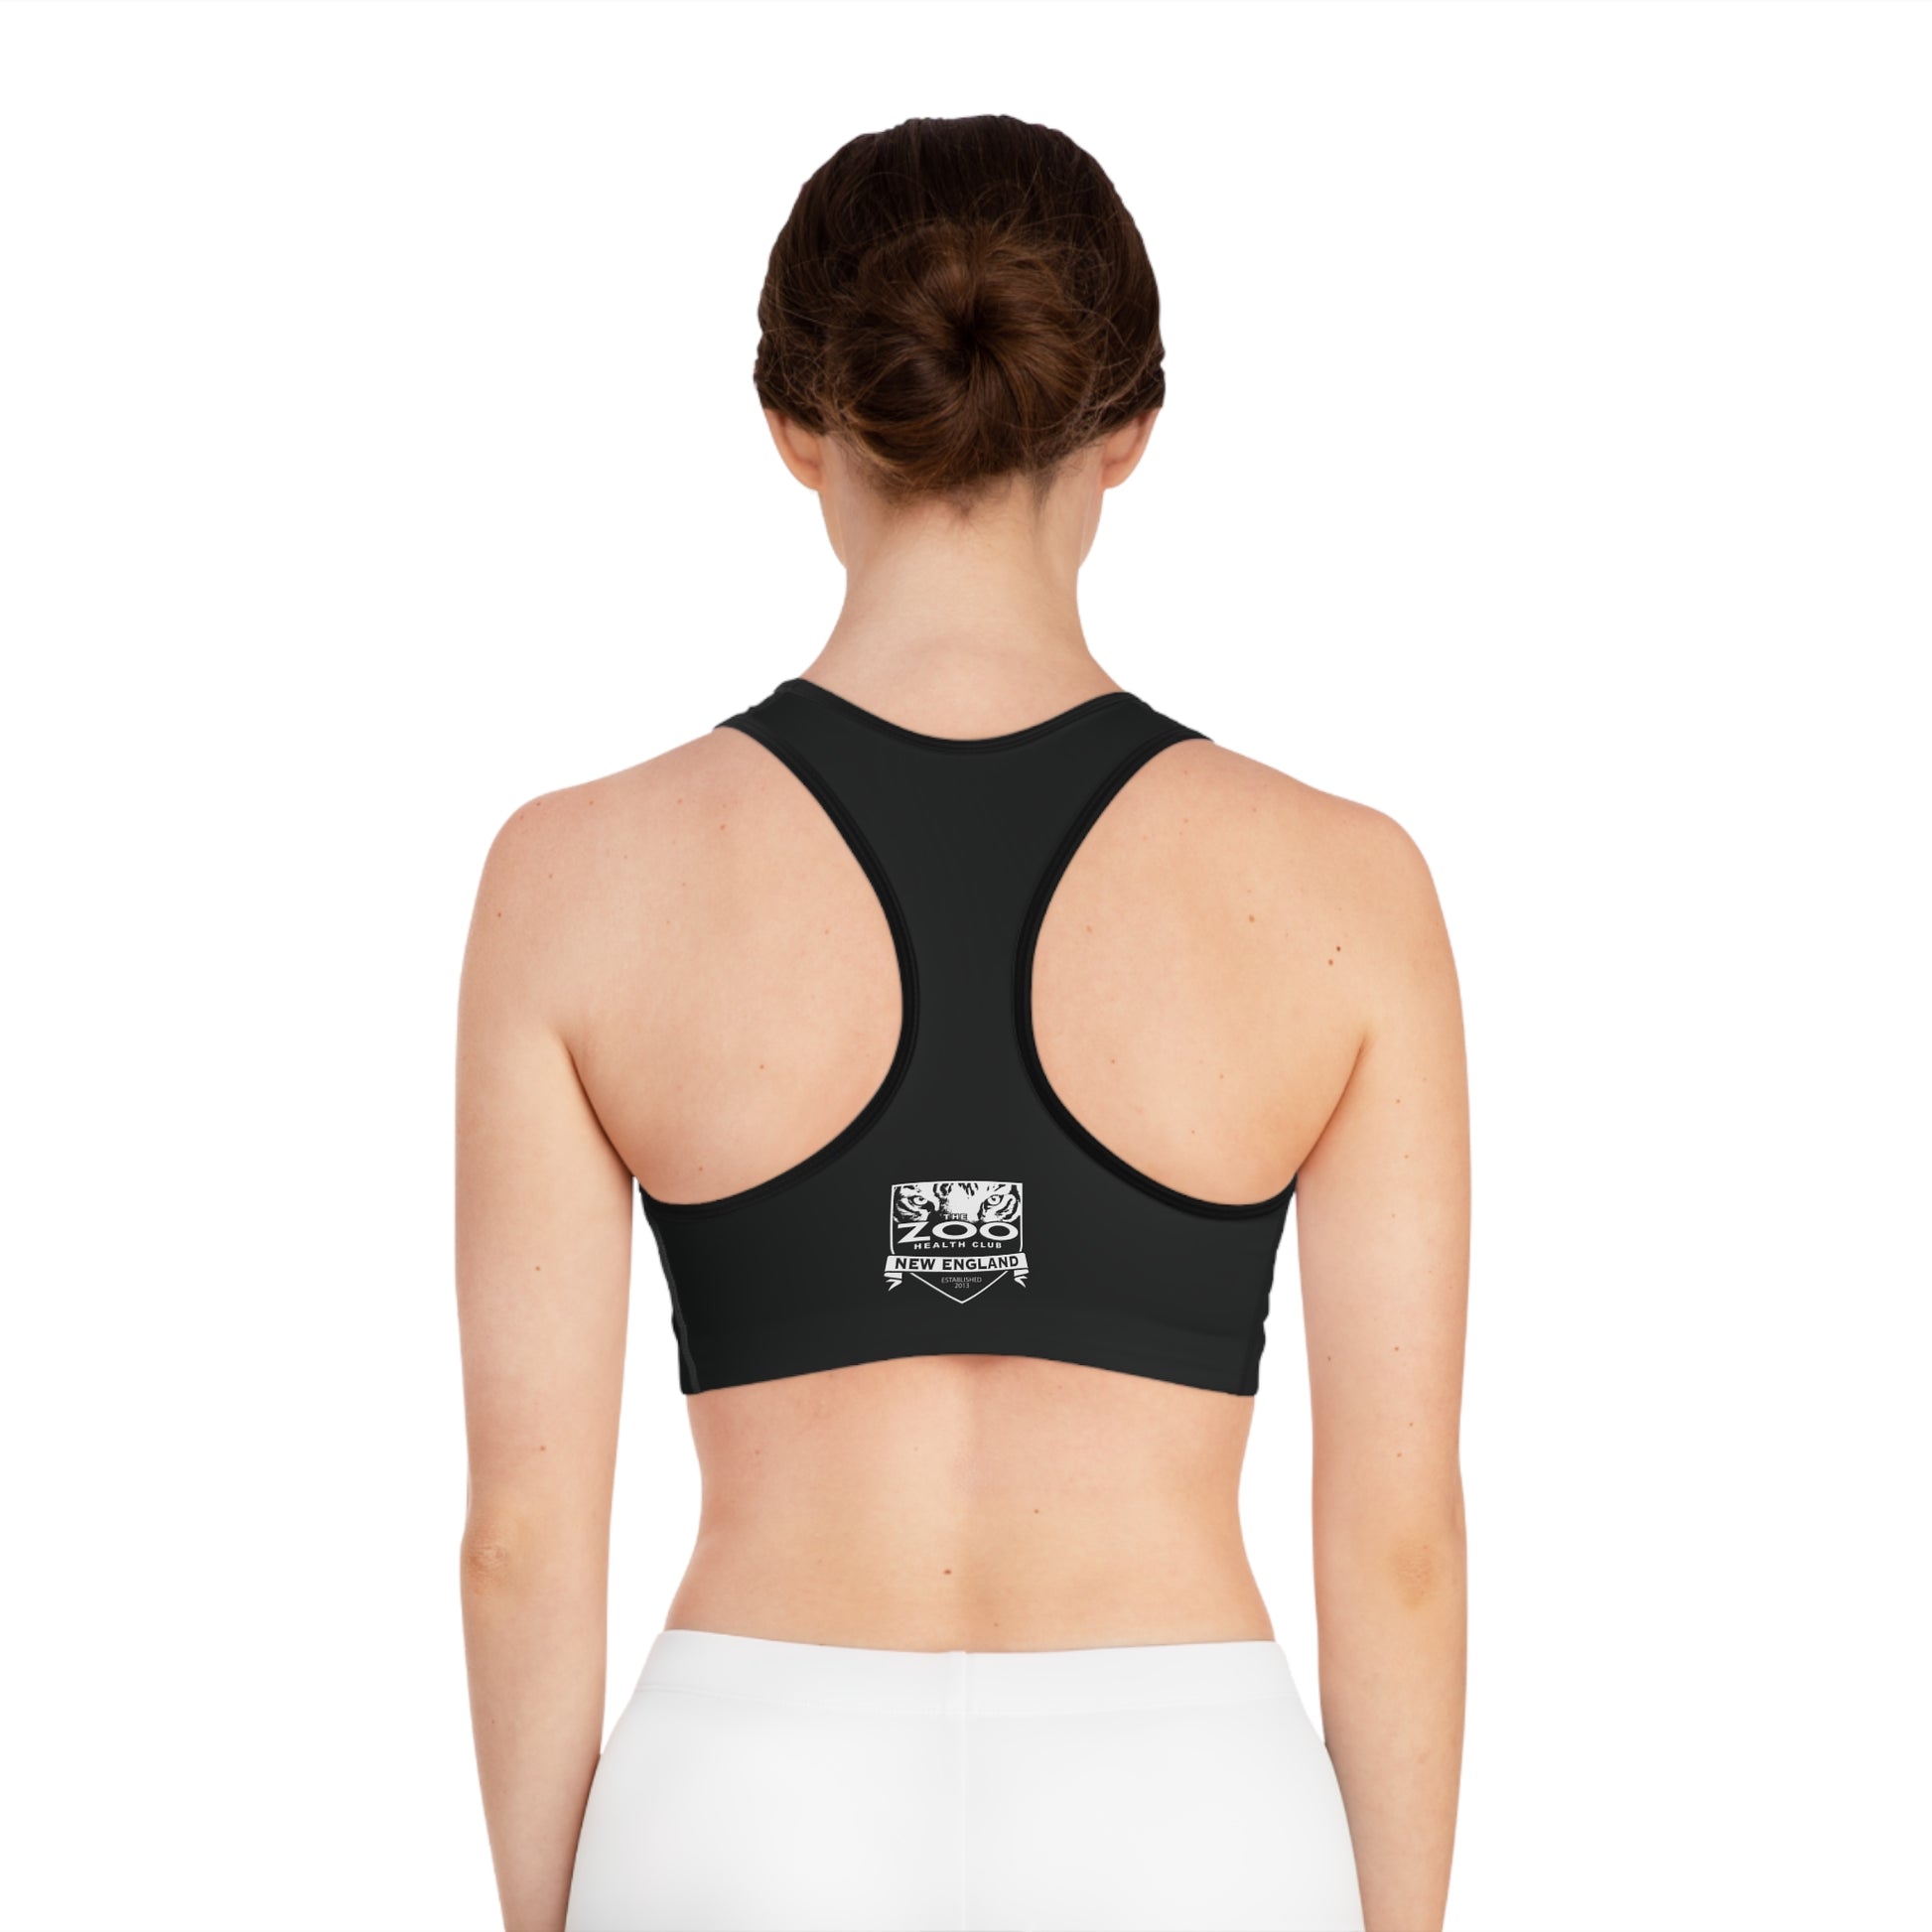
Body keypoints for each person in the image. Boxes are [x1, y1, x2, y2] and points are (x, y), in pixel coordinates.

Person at [455, 113, 1468, 1932]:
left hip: (746, 1801)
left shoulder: (577, 875)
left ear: (795, 423)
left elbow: (520, 1539)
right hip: (1185, 1809)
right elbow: (1396, 1548)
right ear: (1127, 427)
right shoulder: (1342, 888)